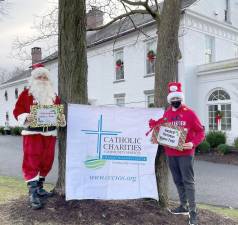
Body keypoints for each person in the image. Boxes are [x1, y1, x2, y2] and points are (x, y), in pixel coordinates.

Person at [13, 63, 66, 209]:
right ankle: (33, 193)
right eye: (39, 77)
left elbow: (58, 113)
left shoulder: (54, 96)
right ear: (34, 79)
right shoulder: (26, 94)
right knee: (32, 161)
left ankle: (40, 188)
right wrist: (26, 117)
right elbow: (17, 111)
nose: (42, 80)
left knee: (47, 161)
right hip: (33, 133)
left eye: (45, 77)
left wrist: (60, 119)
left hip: (50, 133)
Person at [150, 82, 205, 225]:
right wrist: (158, 133)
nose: (175, 101)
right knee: (177, 181)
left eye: (177, 99)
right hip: (171, 153)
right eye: (173, 99)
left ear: (181, 98)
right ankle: (183, 205)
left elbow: (201, 131)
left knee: (188, 181)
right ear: (170, 99)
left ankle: (193, 213)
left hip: (186, 153)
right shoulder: (166, 113)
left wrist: (193, 143)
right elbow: (162, 131)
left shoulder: (190, 113)